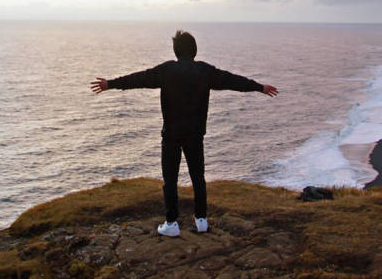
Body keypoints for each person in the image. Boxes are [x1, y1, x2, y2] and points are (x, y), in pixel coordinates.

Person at [90, 30, 278, 237]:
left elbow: (139, 79)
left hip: (171, 134)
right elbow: (233, 81)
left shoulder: (167, 71)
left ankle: (171, 223)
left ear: (176, 51)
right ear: (195, 51)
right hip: (195, 135)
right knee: (198, 177)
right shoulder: (205, 72)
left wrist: (111, 84)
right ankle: (201, 220)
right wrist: (259, 87)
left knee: (170, 180)